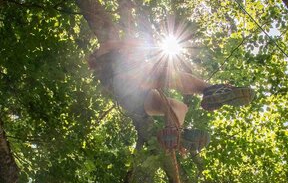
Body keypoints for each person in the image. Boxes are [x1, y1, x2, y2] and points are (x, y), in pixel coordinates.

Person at [89, 37, 255, 152]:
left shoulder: (108, 63)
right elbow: (129, 44)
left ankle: (176, 134)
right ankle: (209, 89)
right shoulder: (108, 53)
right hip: (127, 82)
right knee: (170, 76)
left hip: (132, 101)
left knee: (179, 107)